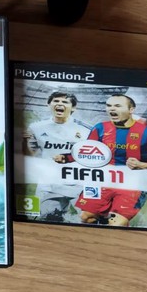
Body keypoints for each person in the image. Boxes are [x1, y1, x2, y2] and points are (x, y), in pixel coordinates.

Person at [71, 93, 147, 226]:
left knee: (117, 224)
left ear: (131, 110)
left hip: (133, 185)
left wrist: (142, 165)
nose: (112, 109)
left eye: (117, 106)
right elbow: (87, 154)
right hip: (104, 181)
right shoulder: (100, 128)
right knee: (86, 217)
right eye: (109, 106)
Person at [22, 91, 90, 222]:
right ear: (48, 105)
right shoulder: (36, 127)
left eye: (65, 102)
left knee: (88, 220)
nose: (60, 104)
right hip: (48, 183)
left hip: (78, 183)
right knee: (45, 220)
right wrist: (24, 141)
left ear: (73, 108)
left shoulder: (86, 130)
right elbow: (30, 156)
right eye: (56, 101)